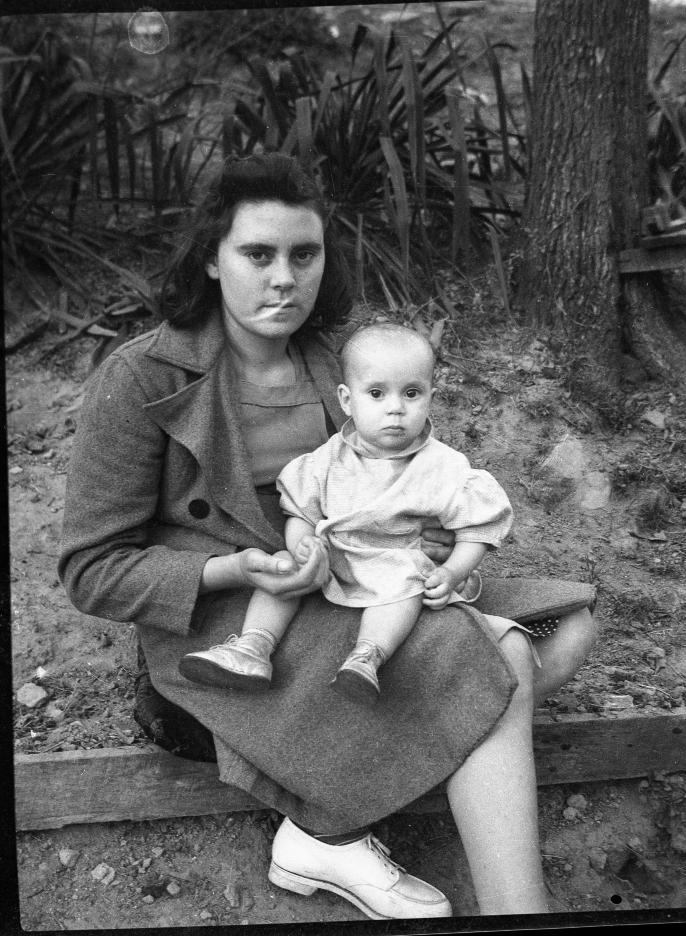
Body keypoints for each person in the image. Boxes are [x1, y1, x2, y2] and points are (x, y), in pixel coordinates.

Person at [59, 152, 597, 919]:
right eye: (258, 254)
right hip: (235, 628)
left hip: (363, 581)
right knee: (497, 653)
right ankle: (521, 912)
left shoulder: (337, 358)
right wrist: (241, 568)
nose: (284, 277)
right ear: (212, 259)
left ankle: (322, 824)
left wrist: (445, 551)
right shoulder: (142, 377)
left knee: (570, 626)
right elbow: (89, 570)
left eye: (303, 255)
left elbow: (407, 484)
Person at [179, 322, 518, 705]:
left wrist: (452, 571)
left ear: (430, 398)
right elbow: (301, 512)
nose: (395, 408)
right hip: (331, 558)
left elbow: (477, 529)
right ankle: (253, 646)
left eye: (411, 394)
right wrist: (302, 544)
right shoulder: (327, 459)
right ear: (346, 399)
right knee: (282, 565)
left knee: (405, 584)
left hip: (393, 559)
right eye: (376, 393)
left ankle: (367, 657)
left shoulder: (443, 466)